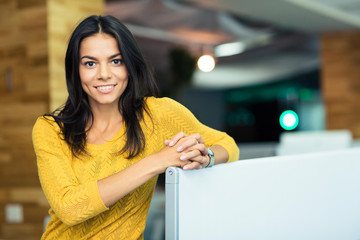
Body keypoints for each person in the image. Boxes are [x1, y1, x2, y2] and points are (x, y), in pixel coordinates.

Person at [32, 15, 239, 239]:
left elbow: (228, 144)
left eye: (116, 61)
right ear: (75, 70)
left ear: (130, 66)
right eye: (90, 63)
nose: (103, 74)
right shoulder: (51, 129)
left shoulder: (158, 115)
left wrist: (205, 156)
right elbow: (70, 208)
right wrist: (156, 161)